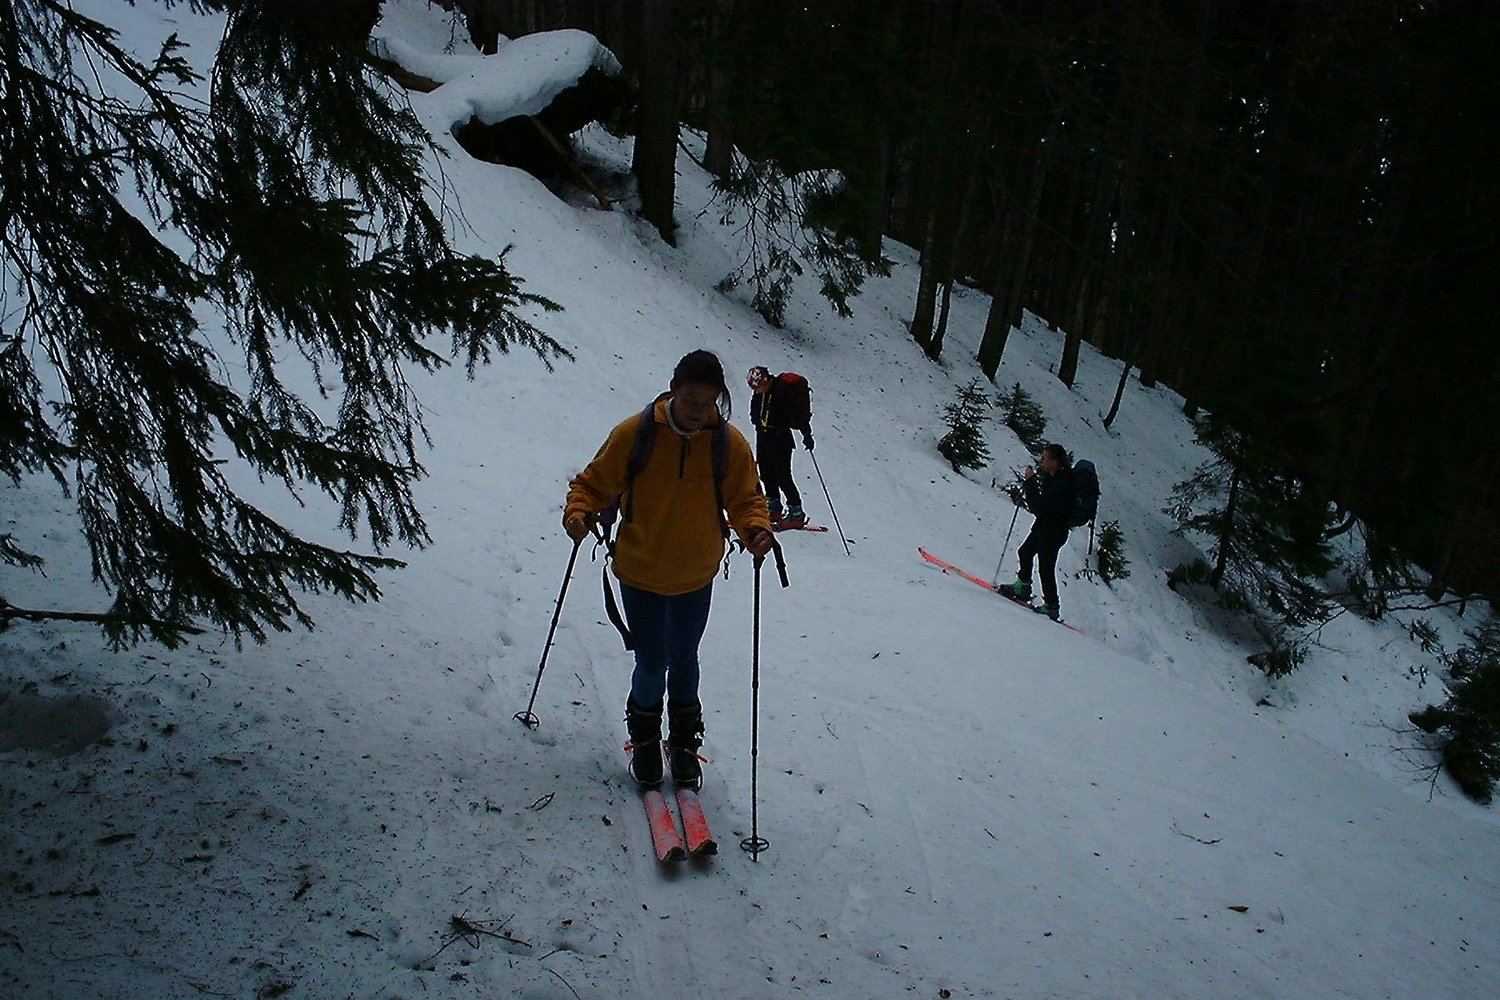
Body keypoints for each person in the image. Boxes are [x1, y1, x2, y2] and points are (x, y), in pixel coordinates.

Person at [564, 351, 774, 791]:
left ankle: (683, 743)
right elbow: (592, 484)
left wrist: (756, 529)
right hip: (639, 570)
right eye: (691, 399)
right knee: (652, 659)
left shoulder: (727, 444)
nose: (699, 410)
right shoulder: (635, 434)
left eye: (709, 402)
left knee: (684, 658)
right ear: (674, 389)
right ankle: (644, 742)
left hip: (695, 574)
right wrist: (579, 513)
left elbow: (746, 499)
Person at [1002, 443, 1076, 621]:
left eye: (1045, 458)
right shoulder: (1055, 478)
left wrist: (1030, 483)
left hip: (1053, 532)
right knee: (1025, 552)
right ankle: (1023, 587)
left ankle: (1051, 605)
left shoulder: (1062, 484)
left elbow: (1039, 507)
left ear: (1055, 462)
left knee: (1045, 568)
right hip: (1045, 528)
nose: (1041, 461)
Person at [746, 366, 814, 529]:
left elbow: (797, 415)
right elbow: (755, 412)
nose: (756, 391)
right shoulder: (759, 393)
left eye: (758, 387)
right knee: (765, 472)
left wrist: (807, 435)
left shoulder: (782, 390)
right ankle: (774, 507)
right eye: (754, 388)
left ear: (765, 380)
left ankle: (796, 512)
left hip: (780, 438)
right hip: (763, 435)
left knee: (783, 475)